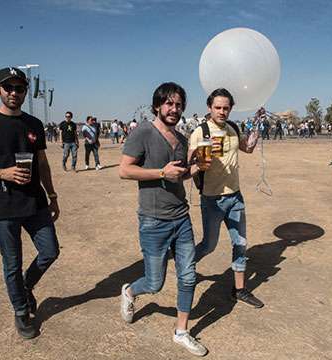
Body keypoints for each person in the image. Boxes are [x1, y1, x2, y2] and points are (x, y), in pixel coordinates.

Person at [0, 67, 60, 339]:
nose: (14, 93)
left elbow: (42, 162)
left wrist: (51, 196)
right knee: (12, 263)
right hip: (3, 207)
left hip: (36, 203)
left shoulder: (33, 124)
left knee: (50, 251)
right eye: (9, 88)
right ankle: (20, 311)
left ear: (26, 91)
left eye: (19, 88)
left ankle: (24, 288)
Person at [118, 82, 208, 357]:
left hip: (181, 217)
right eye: (169, 103)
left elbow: (178, 175)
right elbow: (124, 170)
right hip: (153, 220)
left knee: (188, 276)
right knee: (155, 283)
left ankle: (182, 332)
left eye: (179, 104)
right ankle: (130, 293)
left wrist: (196, 167)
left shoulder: (181, 140)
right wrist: (159, 172)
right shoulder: (143, 131)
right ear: (157, 105)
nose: (174, 109)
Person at [189, 88, 263, 309]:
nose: (222, 112)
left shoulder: (232, 128)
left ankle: (239, 290)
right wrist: (201, 158)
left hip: (235, 197)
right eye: (218, 107)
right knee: (208, 246)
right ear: (209, 108)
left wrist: (257, 126)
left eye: (226, 108)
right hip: (212, 199)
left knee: (240, 244)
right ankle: (186, 265)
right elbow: (189, 163)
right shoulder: (200, 132)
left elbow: (248, 148)